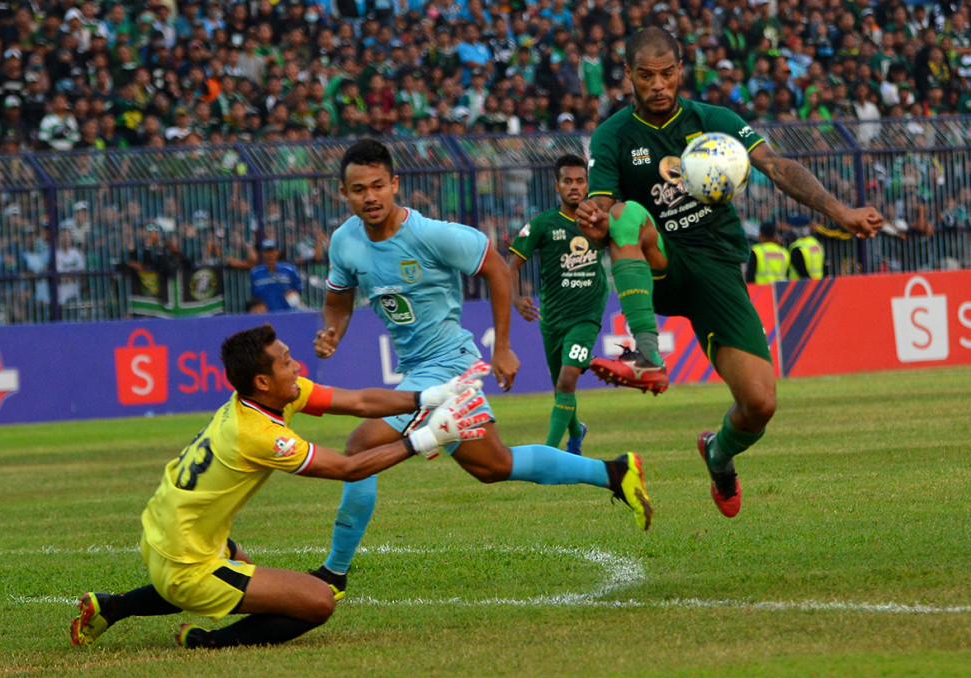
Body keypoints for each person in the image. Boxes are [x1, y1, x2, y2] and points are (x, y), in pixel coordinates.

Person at [310, 139, 654, 595]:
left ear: (394, 184)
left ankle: (333, 573)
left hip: (449, 367)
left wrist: (503, 347)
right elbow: (337, 301)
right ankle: (614, 472)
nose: (369, 197)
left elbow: (495, 267)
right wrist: (332, 331)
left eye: (377, 186)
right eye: (358, 189)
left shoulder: (432, 234)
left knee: (358, 450)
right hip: (419, 369)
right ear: (343, 193)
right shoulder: (345, 242)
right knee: (492, 465)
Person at [575, 28, 883, 519]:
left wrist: (840, 211)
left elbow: (775, 166)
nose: (658, 85)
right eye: (646, 76)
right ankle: (647, 354)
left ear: (681, 69)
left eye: (667, 73)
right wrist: (593, 220)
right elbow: (603, 207)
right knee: (624, 215)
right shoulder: (612, 135)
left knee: (760, 404)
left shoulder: (714, 122)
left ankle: (717, 454)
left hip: (717, 269)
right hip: (659, 262)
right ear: (629, 74)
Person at [70, 323, 490, 649]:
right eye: (287, 362)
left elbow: (360, 402)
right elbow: (348, 468)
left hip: (168, 530)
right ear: (262, 381)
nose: (297, 367)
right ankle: (208, 642)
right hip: (186, 558)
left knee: (245, 571)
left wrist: (432, 396)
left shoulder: (266, 398)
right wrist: (428, 438)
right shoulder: (260, 435)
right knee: (319, 600)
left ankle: (112, 606)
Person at [508, 154, 606, 455]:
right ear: (557, 186)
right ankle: (576, 432)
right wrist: (515, 297)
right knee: (561, 388)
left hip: (587, 316)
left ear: (587, 185)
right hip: (552, 318)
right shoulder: (543, 224)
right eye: (567, 181)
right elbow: (512, 264)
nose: (574, 187)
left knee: (566, 380)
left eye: (580, 181)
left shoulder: (600, 221)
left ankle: (548, 456)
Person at [249, 239, 306, 311]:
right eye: (267, 252)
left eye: (272, 251)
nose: (270, 255)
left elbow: (298, 289)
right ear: (262, 254)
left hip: (288, 312)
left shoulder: (289, 270)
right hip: (266, 315)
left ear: (277, 252)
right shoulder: (255, 273)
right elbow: (254, 296)